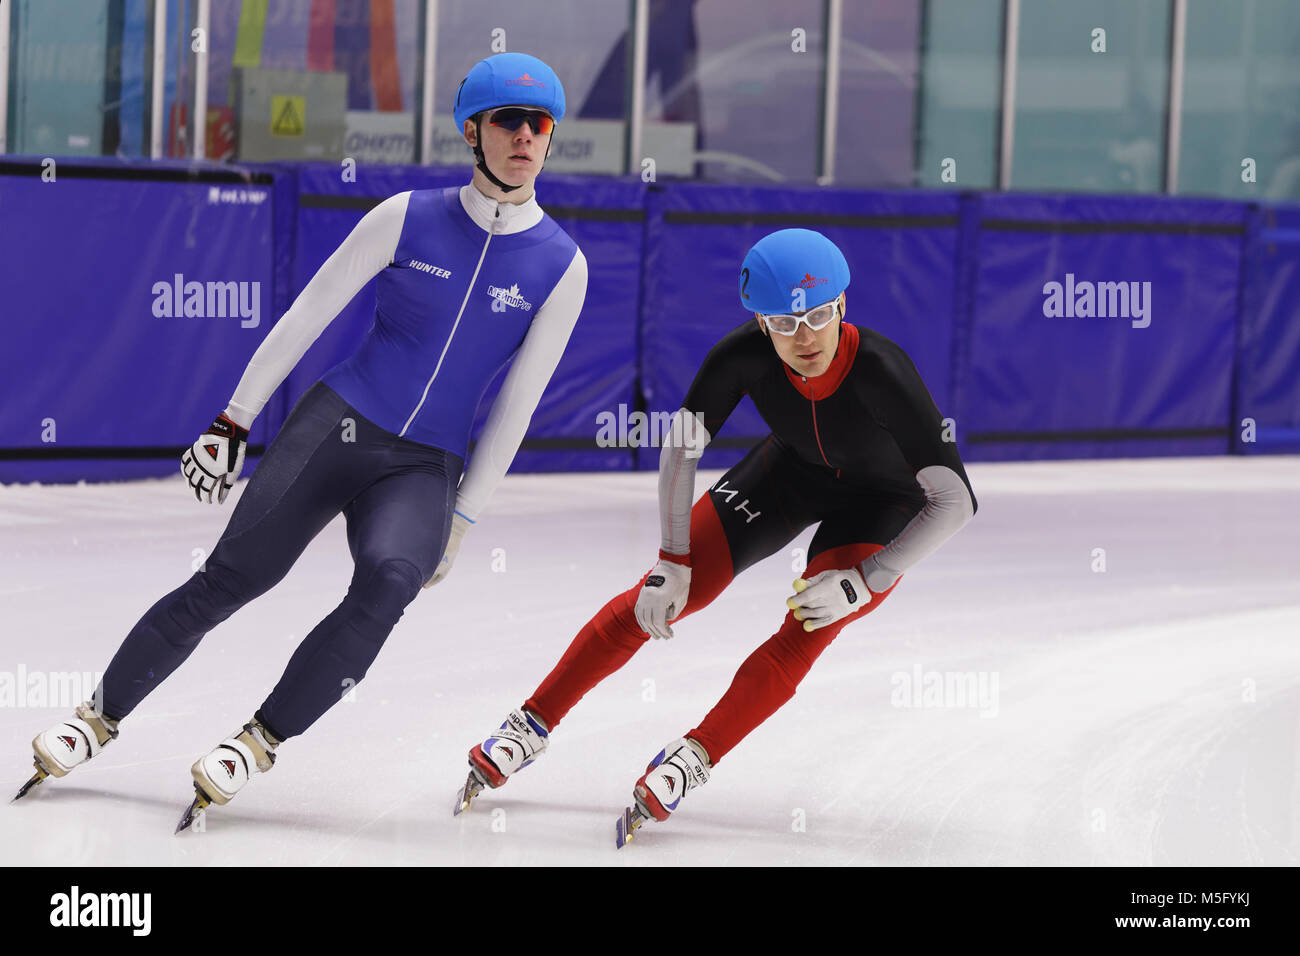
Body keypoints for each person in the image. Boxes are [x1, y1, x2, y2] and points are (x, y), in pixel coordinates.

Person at [16, 53, 589, 831]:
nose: (524, 137)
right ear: (473, 132)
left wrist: (465, 516)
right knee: (231, 577)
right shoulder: (405, 216)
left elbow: (516, 408)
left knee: (390, 581)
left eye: (540, 124)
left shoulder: (562, 264)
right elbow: (309, 314)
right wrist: (233, 419)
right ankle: (98, 715)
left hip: (427, 465)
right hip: (343, 421)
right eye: (507, 122)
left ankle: (259, 739)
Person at [458, 228, 977, 844]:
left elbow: (956, 502)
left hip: (884, 506)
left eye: (816, 315)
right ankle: (530, 724)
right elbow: (680, 451)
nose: (804, 336)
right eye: (784, 323)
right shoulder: (741, 356)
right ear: (761, 324)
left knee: (809, 624)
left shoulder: (883, 372)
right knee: (658, 596)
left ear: (842, 305)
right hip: (788, 475)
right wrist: (670, 559)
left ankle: (697, 755)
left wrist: (866, 582)